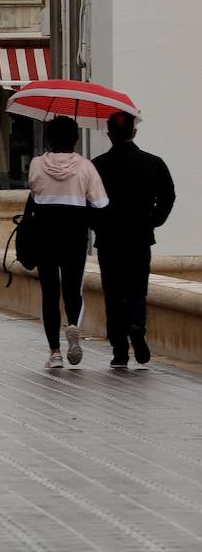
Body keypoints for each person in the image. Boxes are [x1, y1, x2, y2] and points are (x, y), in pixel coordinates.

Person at [92, 112, 175, 368]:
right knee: (137, 289)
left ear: (108, 135)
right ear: (134, 132)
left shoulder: (97, 166)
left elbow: (89, 202)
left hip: (108, 240)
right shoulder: (153, 163)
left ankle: (119, 350)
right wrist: (153, 220)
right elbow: (168, 196)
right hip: (139, 237)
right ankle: (137, 326)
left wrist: (98, 225)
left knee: (113, 294)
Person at [28, 115, 109, 369]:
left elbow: (34, 192)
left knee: (49, 293)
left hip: (44, 236)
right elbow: (101, 203)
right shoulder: (85, 167)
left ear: (49, 137)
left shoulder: (36, 164)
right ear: (75, 138)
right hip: (74, 236)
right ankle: (73, 326)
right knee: (72, 288)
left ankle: (54, 353)